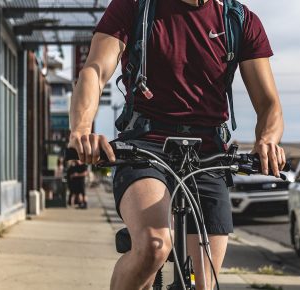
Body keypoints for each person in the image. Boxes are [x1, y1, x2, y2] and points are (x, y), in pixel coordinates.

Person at [68, 0, 286, 289]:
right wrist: (81, 129)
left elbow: (269, 104)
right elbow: (94, 70)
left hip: (209, 153)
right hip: (145, 147)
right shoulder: (136, 6)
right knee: (154, 244)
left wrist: (267, 140)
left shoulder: (239, 19)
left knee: (203, 282)